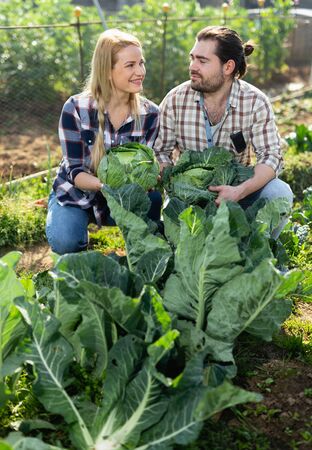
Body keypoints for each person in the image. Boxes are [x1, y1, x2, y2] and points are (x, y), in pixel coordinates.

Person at [154, 26, 293, 238]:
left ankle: (258, 250)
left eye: (202, 61)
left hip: (239, 192)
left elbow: (271, 156)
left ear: (228, 67)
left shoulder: (255, 102)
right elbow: (160, 152)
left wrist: (240, 190)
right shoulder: (175, 100)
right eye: (192, 58)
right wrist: (178, 183)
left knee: (279, 193)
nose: (192, 66)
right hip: (189, 198)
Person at [46, 29, 161, 254]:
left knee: (154, 200)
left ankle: (140, 254)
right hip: (76, 195)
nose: (140, 72)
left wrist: (151, 176)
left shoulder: (150, 114)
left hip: (124, 200)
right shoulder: (76, 109)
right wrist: (104, 185)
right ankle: (71, 228)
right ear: (107, 71)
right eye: (130, 65)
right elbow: (76, 172)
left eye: (141, 63)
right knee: (66, 241)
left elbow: (146, 167)